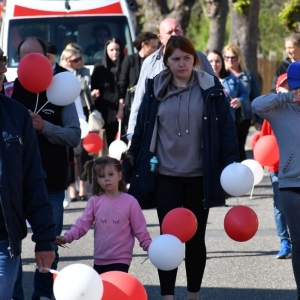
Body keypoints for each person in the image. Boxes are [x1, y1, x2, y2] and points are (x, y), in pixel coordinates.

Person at [122, 35, 239, 300]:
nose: (182, 63)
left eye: (187, 58)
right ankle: (167, 296)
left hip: (201, 177)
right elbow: (141, 130)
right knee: (169, 239)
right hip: (166, 177)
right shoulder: (155, 89)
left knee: (196, 240)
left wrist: (231, 160)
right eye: (176, 58)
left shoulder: (211, 88)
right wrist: (129, 161)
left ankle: (193, 295)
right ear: (167, 61)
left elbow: (226, 129)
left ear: (194, 59)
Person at [11, 36, 81, 300]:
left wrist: (45, 127)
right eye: (23, 58)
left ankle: (43, 293)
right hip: (14, 182)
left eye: (36, 57)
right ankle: (12, 292)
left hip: (51, 181)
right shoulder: (8, 90)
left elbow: (74, 136)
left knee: (49, 242)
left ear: (47, 59)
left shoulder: (61, 88)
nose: (29, 63)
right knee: (10, 243)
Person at [0, 48, 56, 300]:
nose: (2, 70)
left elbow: (33, 180)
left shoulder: (16, 116)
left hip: (3, 241)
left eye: (1, 63)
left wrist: (44, 239)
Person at [252, 61, 300, 300]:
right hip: (290, 183)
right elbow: (256, 105)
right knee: (299, 243)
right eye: (297, 87)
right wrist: (286, 98)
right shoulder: (282, 110)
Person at [55, 156, 152, 274]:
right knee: (102, 291)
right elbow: (82, 224)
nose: (106, 179)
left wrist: (150, 248)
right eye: (102, 176)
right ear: (97, 180)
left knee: (117, 290)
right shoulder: (94, 201)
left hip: (122, 259)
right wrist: (67, 237)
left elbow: (140, 229)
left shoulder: (130, 202)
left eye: (111, 174)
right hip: (100, 259)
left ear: (119, 175)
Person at [126, 18, 214, 140]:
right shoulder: (150, 62)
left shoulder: (199, 58)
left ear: (182, 33)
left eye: (177, 31)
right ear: (160, 38)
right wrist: (132, 134)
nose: (174, 35)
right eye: (170, 32)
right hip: (160, 131)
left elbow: (214, 91)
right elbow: (140, 98)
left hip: (195, 129)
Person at [252, 73, 291, 260]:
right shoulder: (271, 114)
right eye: (283, 86)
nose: (287, 89)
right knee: (279, 205)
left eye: (290, 87)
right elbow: (265, 142)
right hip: (276, 168)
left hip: (295, 168)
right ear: (277, 90)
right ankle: (284, 241)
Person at [60, 46, 93, 201]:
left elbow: (82, 86)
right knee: (67, 153)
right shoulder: (60, 73)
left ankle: (84, 186)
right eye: (75, 60)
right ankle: (71, 187)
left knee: (81, 152)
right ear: (67, 61)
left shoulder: (84, 71)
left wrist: (71, 73)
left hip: (81, 113)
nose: (79, 62)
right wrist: (66, 72)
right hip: (65, 115)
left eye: (80, 58)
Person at [222, 44, 262, 160]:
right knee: (228, 147)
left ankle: (241, 175)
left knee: (240, 147)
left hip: (244, 117)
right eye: (227, 57)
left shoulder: (247, 75)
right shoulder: (222, 75)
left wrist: (259, 119)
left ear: (239, 58)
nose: (230, 60)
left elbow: (255, 97)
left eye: (233, 57)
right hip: (227, 117)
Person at [207, 50, 248, 145]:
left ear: (222, 62)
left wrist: (240, 100)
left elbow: (244, 93)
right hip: (209, 125)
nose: (214, 64)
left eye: (217, 61)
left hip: (229, 124)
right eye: (211, 61)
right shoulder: (200, 80)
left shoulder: (232, 78)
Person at [119, 31, 158, 131]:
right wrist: (120, 107)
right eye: (153, 47)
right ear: (143, 45)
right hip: (132, 103)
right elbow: (122, 83)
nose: (156, 50)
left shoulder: (156, 61)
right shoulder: (129, 60)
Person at [91, 37, 125, 147]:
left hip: (124, 109)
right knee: (109, 143)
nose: (115, 53)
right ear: (106, 51)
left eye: (117, 49)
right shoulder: (99, 67)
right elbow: (93, 88)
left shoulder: (126, 64)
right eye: (111, 50)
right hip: (106, 111)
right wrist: (94, 93)